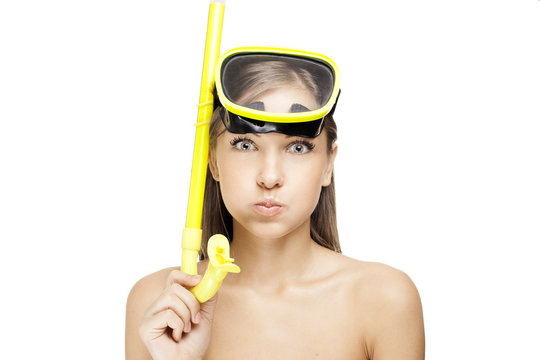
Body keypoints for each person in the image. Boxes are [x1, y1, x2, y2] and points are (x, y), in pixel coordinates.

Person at [125, 49, 425, 360]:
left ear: (328, 165)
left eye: (297, 147)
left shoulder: (385, 301)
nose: (269, 177)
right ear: (213, 162)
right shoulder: (158, 304)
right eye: (245, 144)